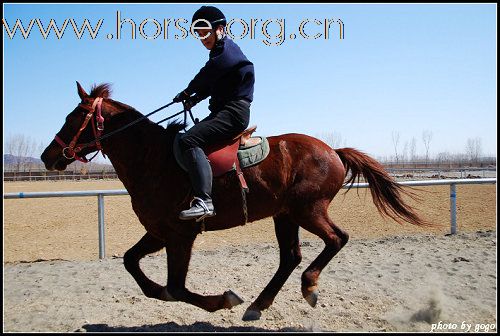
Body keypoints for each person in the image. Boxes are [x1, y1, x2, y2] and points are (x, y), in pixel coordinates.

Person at [173, 6, 255, 221]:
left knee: (189, 140)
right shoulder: (220, 55)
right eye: (198, 34)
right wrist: (193, 99)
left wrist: (188, 90)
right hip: (223, 110)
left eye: (205, 32)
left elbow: (209, 73)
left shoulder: (228, 51)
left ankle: (205, 201)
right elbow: (213, 84)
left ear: (219, 29)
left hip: (233, 112)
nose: (202, 38)